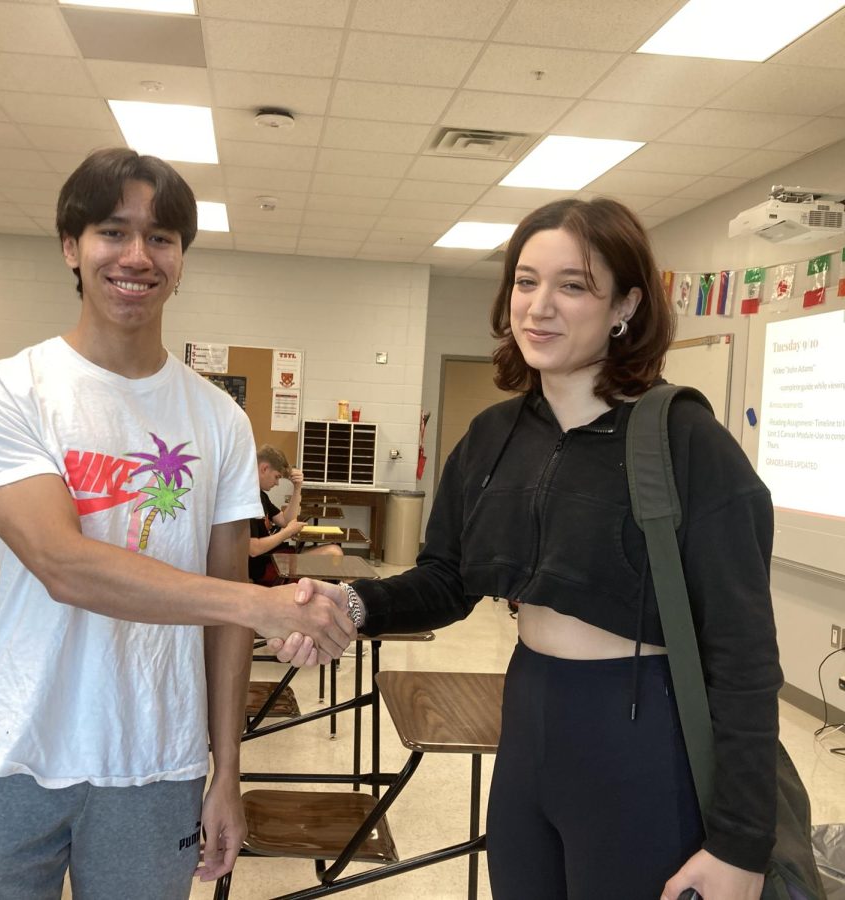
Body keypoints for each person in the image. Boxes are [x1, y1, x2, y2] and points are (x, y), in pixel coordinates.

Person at [274, 198, 781, 900]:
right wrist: (351, 603)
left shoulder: (687, 444)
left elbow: (744, 658)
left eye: (573, 285)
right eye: (525, 281)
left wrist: (740, 846)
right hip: (529, 720)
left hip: (639, 738)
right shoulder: (493, 437)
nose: (539, 306)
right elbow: (448, 579)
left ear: (626, 305)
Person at [0, 147, 355, 900]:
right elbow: (63, 565)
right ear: (71, 247)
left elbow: (223, 612)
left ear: (182, 259)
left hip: (159, 761)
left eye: (160, 238)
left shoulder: (219, 420)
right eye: (111, 232)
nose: (137, 256)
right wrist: (262, 605)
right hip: (14, 749)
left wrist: (228, 771)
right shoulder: (5, 391)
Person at [248, 444, 342, 585]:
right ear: (264, 469)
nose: (277, 483)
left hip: (276, 559)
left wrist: (297, 488)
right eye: (276, 477)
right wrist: (287, 533)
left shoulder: (261, 496)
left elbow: (286, 520)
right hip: (267, 568)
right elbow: (253, 549)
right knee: (333, 554)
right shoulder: (248, 499)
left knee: (334, 554)